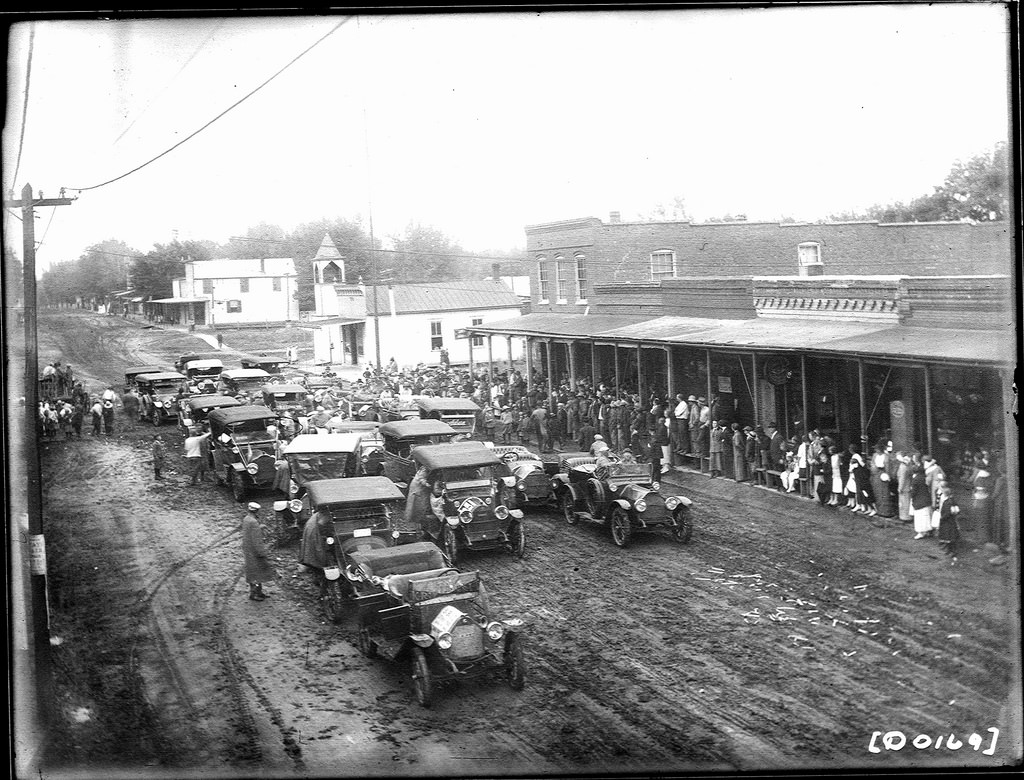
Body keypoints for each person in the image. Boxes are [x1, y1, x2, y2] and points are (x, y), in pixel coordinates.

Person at [241, 502, 276, 601]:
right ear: (257, 511)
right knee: (257, 573)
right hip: (255, 551)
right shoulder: (254, 522)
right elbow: (256, 540)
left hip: (248, 549)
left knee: (253, 572)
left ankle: (258, 592)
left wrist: (260, 527)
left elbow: (249, 533)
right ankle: (254, 594)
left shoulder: (246, 519)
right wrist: (262, 552)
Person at [934, 482, 962, 563]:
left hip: (947, 523)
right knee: (950, 538)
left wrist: (942, 518)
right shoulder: (952, 501)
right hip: (952, 522)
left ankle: (952, 552)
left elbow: (947, 513)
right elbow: (956, 511)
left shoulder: (947, 503)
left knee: (949, 537)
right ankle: (950, 550)